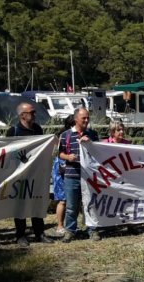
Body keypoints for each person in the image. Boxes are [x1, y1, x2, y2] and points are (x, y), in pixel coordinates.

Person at [6, 102, 52, 247]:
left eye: (34, 112)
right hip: (19, 174)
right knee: (20, 205)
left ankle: (40, 233)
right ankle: (20, 235)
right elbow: (8, 152)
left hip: (36, 173)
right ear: (22, 115)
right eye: (31, 112)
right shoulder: (13, 131)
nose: (34, 114)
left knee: (36, 202)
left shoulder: (37, 129)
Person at [58, 107, 100, 242]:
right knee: (71, 206)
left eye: (88, 118)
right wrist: (68, 157)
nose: (87, 120)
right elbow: (59, 153)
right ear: (76, 119)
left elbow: (99, 153)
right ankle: (70, 230)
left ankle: (92, 230)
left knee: (90, 204)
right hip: (72, 174)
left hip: (88, 175)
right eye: (84, 118)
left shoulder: (92, 134)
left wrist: (90, 143)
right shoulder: (65, 135)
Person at [52, 115, 75, 237]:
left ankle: (68, 224)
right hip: (62, 168)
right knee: (63, 199)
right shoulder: (63, 135)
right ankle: (60, 225)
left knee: (69, 199)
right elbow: (56, 153)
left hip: (70, 168)